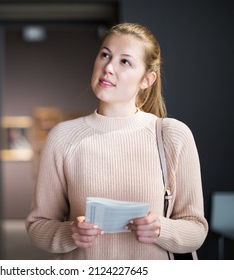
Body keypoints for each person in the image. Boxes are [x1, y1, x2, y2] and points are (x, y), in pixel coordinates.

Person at [26, 22, 208, 260]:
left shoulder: (173, 136)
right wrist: (69, 233)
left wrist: (161, 229)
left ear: (147, 80)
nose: (108, 67)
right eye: (105, 55)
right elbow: (38, 225)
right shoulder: (62, 137)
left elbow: (196, 228)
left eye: (125, 61)